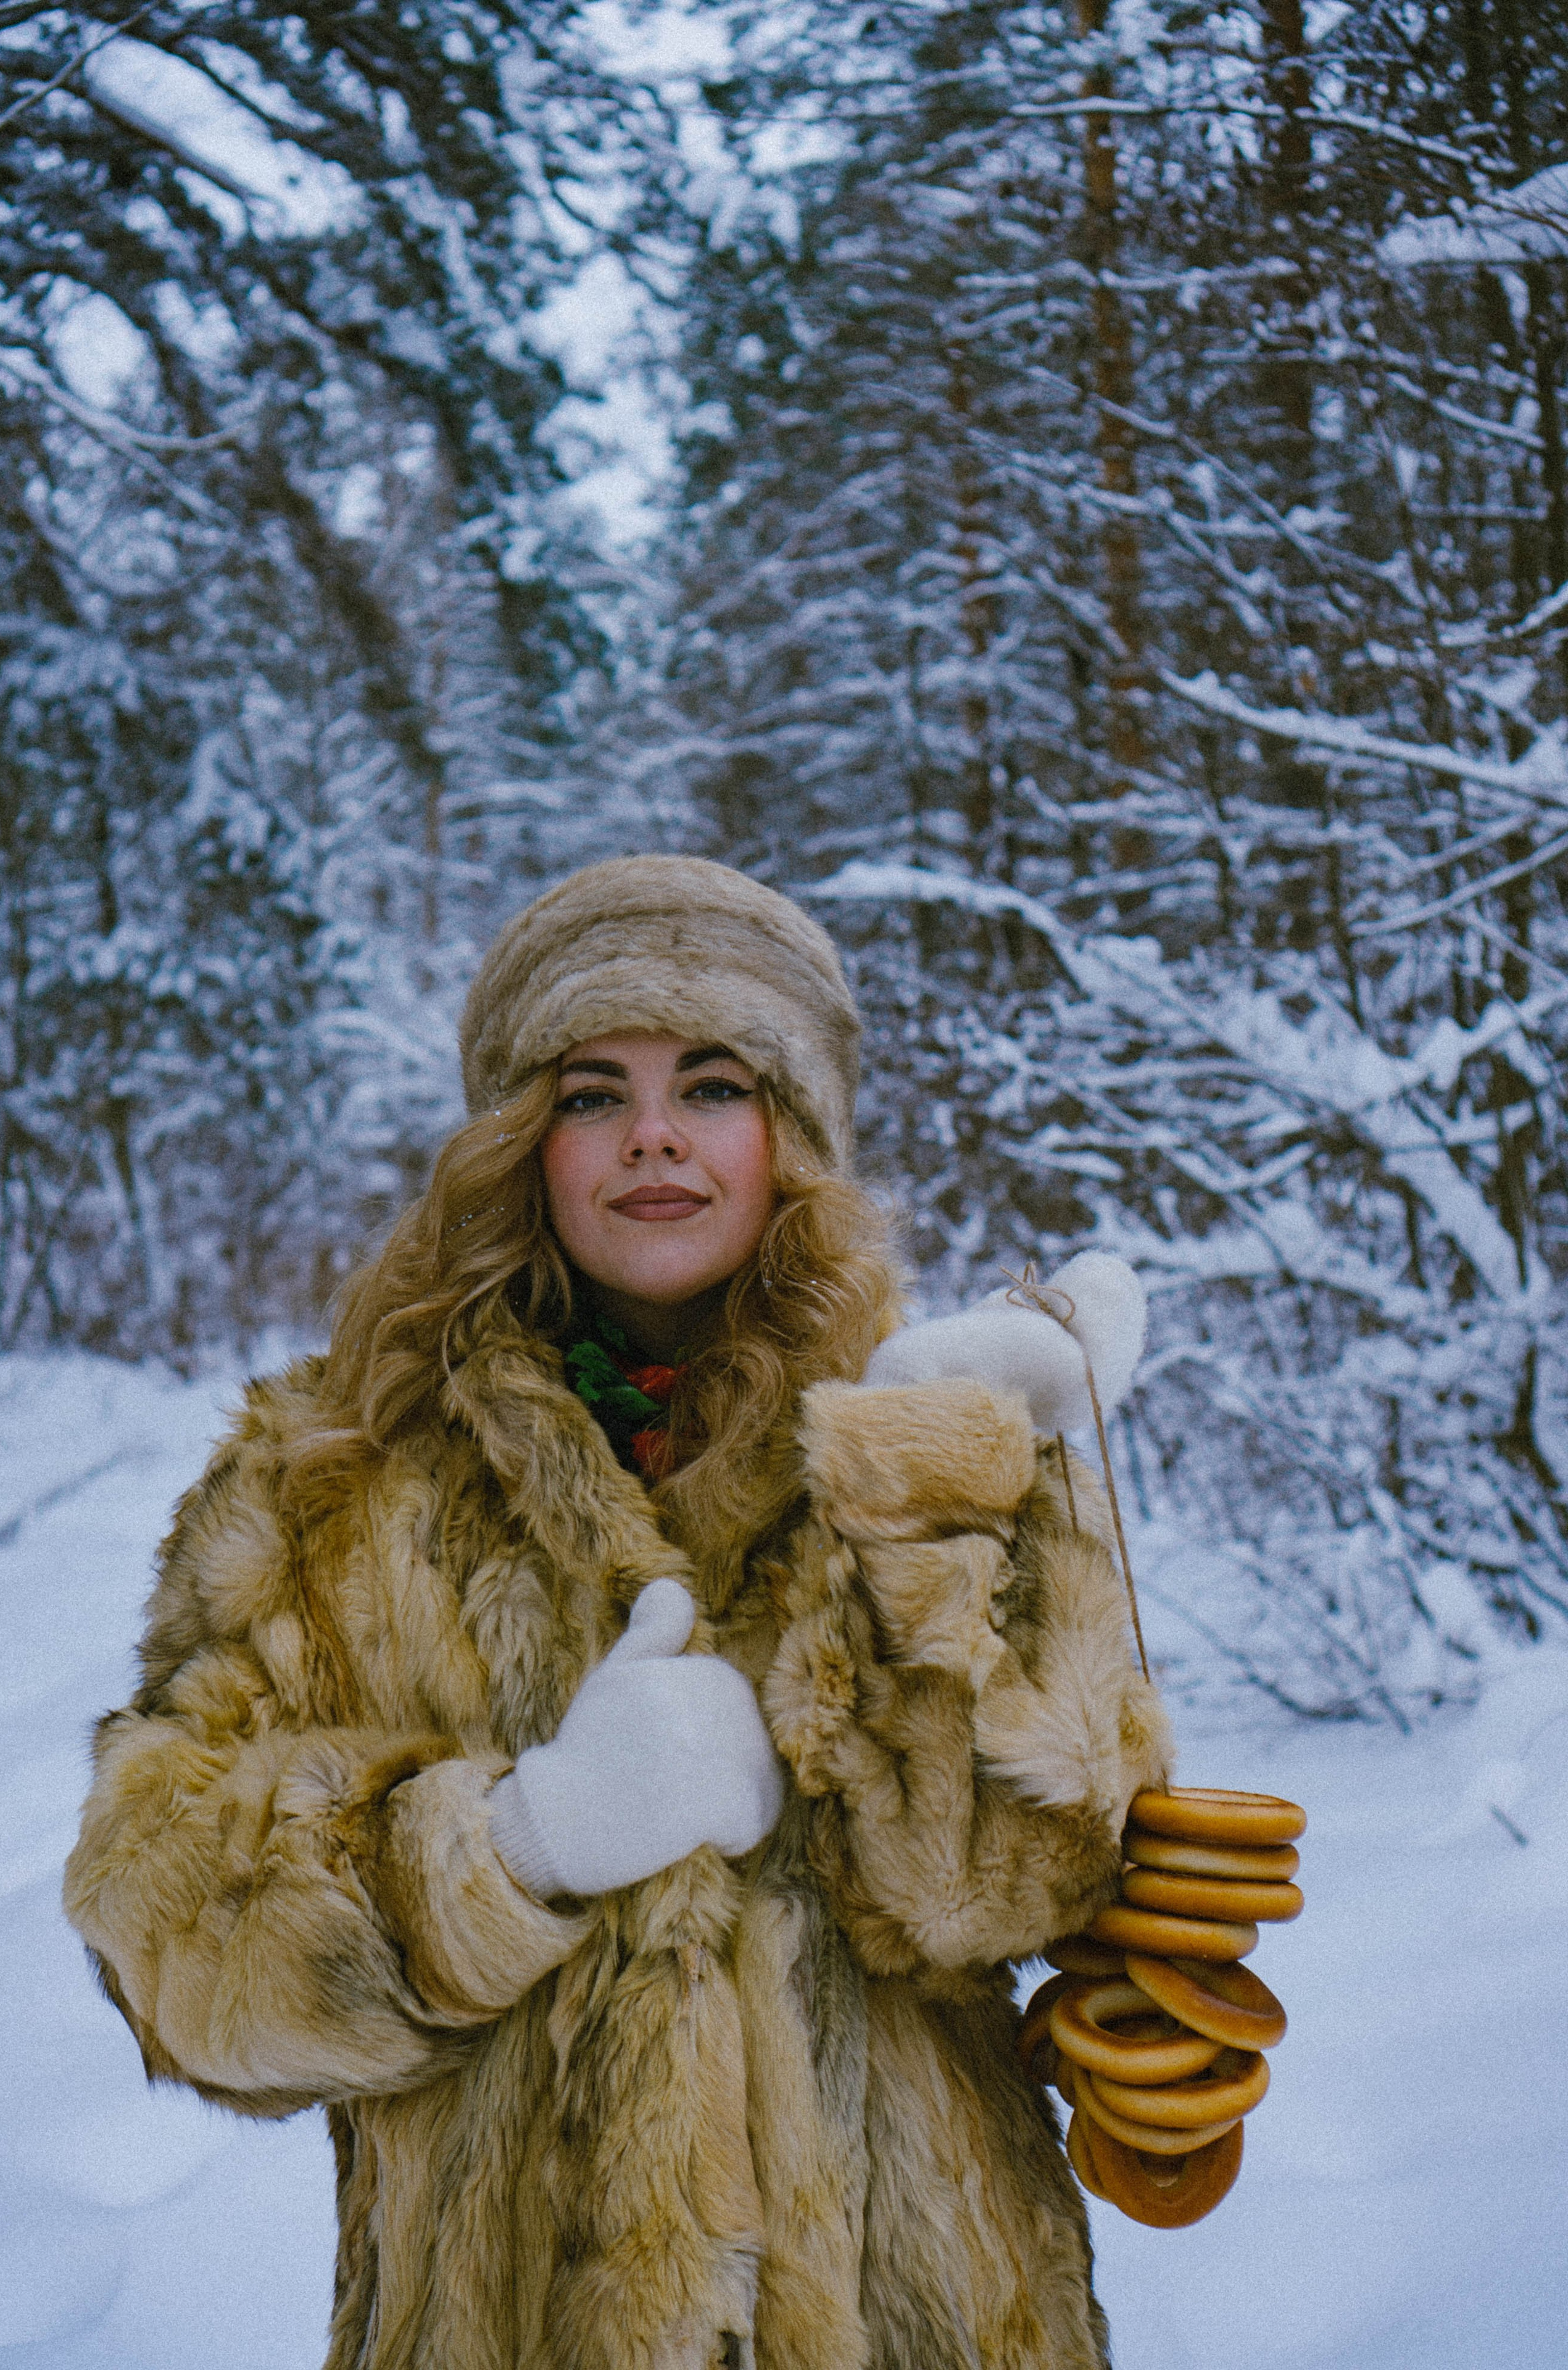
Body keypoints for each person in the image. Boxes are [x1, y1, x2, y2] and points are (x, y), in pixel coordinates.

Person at [64, 857, 1170, 2370]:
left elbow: (1013, 1881)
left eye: (711, 1083)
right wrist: (517, 1843)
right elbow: (165, 1941)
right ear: (522, 1141)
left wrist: (935, 1500)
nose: (652, 1134)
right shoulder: (328, 1479)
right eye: (593, 1091)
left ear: (792, 1135)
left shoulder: (925, 1438)